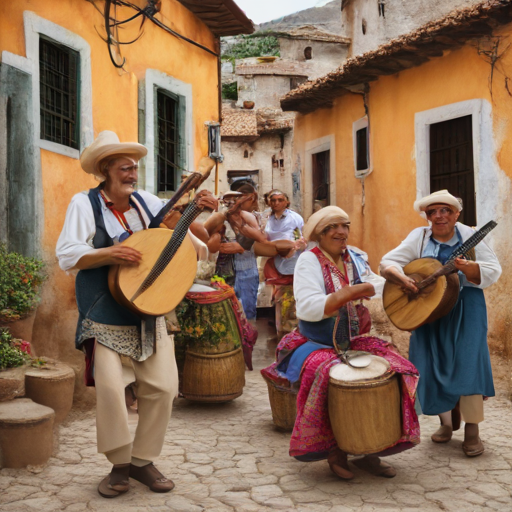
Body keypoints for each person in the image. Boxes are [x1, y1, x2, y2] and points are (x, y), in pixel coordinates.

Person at [56, 131, 216, 498]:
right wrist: (109, 254)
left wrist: (193, 213)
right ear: (106, 170)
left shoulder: (147, 203)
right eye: (125, 167)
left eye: (134, 167)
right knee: (112, 390)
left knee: (164, 387)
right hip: (103, 309)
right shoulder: (85, 205)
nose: (132, 173)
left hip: (148, 308)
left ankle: (143, 460)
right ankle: (118, 465)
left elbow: (193, 250)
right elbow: (66, 255)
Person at [261, 206, 420, 480]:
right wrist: (350, 293)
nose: (340, 232)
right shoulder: (308, 261)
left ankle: (373, 447)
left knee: (396, 368)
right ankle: (336, 451)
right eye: (332, 227)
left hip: (354, 339)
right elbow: (309, 308)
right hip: (317, 341)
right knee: (325, 374)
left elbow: (375, 283)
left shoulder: (355, 257)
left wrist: (399, 281)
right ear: (319, 235)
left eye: (344, 226)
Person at [380, 190, 501, 457]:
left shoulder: (470, 236)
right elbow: (388, 262)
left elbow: (493, 269)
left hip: (467, 306)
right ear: (427, 216)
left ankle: (472, 431)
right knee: (430, 364)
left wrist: (469, 268)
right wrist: (399, 277)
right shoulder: (419, 237)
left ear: (457, 214)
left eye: (445, 210)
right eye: (433, 211)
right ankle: (446, 423)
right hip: (428, 309)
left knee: (469, 364)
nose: (439, 216)